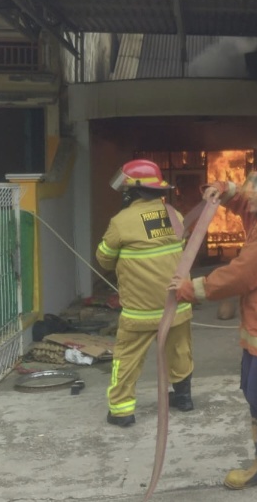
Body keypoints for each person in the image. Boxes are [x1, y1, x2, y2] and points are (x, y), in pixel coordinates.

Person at [169, 158, 257, 491]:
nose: (248, 190)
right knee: (251, 391)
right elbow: (242, 205)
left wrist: (191, 288)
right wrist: (223, 189)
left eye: (255, 185)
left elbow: (240, 275)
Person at [96, 158, 195, 427]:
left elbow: (104, 259)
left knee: (126, 359)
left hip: (139, 313)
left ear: (131, 191)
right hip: (177, 306)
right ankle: (184, 398)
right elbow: (181, 252)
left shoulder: (121, 221)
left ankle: (122, 412)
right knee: (180, 352)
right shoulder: (175, 216)